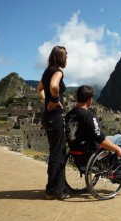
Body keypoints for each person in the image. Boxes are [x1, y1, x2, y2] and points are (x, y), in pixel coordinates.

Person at [65, 85, 121, 170]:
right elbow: (100, 139)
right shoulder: (88, 116)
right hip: (90, 152)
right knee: (120, 138)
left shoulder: (68, 115)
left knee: (111, 138)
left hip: (76, 151)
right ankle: (120, 167)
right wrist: (117, 149)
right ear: (90, 99)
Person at [37, 46, 70, 200]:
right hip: (55, 117)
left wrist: (46, 101)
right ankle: (56, 190)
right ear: (61, 58)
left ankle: (52, 188)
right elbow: (54, 86)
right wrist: (55, 100)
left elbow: (39, 89)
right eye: (66, 56)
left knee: (54, 152)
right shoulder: (57, 71)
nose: (67, 59)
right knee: (59, 153)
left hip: (47, 116)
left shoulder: (46, 71)